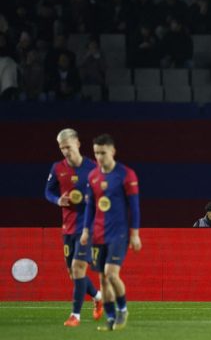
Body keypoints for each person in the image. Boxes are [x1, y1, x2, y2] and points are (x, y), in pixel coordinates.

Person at [80, 134, 142, 332]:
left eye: (103, 153)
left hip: (119, 233)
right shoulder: (93, 176)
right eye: (96, 153)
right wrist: (86, 231)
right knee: (102, 279)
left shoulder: (126, 174)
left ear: (113, 151)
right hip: (98, 234)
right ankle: (110, 318)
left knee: (111, 273)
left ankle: (123, 309)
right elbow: (90, 207)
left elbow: (135, 207)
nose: (99, 157)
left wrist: (135, 234)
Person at [45, 128, 103, 327]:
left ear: (77, 143)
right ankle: (98, 296)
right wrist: (57, 200)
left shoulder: (93, 167)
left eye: (68, 147)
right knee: (73, 273)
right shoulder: (57, 168)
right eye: (62, 148)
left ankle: (75, 316)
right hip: (67, 228)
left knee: (79, 269)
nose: (65, 152)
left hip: (87, 227)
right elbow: (48, 191)